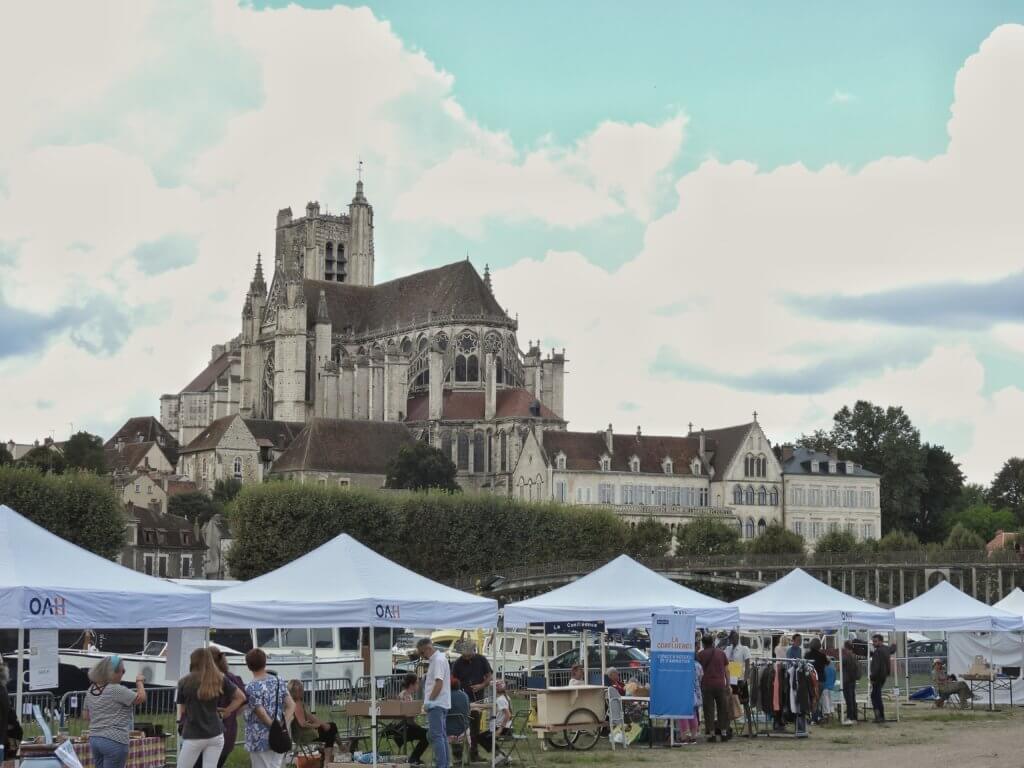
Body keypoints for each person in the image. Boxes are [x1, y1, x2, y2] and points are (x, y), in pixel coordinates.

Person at [178, 648, 246, 768]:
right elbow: (241, 697)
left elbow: (183, 710)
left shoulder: (184, 682)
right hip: (216, 733)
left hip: (194, 733)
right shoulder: (220, 678)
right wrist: (227, 710)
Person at [83, 656, 147, 768]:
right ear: (114, 672)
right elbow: (141, 698)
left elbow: (86, 716)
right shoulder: (116, 689)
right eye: (123, 671)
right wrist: (139, 682)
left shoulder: (91, 690)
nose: (123, 674)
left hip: (95, 738)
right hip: (114, 739)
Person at [244, 648, 295, 768]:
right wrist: (282, 725)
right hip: (280, 736)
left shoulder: (251, 687)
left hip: (259, 737)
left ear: (248, 666)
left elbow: (260, 713)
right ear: (265, 662)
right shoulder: (278, 681)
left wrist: (273, 728)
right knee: (275, 765)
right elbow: (291, 705)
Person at [450, 640, 492, 763]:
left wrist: (481, 685)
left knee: (475, 728)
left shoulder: (481, 659)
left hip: (477, 699)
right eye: (464, 655)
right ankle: (457, 756)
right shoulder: (458, 663)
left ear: (474, 651)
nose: (467, 658)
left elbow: (489, 676)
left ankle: (473, 755)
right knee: (458, 727)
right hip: (462, 700)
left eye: (469, 655)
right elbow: (453, 680)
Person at [417, 637, 451, 768]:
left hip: (436, 704)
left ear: (428, 648)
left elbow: (439, 683)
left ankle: (442, 765)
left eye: (422, 653)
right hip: (441, 703)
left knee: (437, 736)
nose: (421, 656)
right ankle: (445, 764)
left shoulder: (438, 660)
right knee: (441, 736)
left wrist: (430, 701)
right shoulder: (439, 659)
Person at [287, 680, 340, 762]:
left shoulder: (294, 702)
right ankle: (328, 760)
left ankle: (330, 757)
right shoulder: (297, 704)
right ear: (296, 692)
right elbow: (303, 723)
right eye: (301, 690)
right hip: (303, 735)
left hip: (301, 733)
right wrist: (316, 726)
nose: (303, 691)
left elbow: (308, 716)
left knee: (331, 727)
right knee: (331, 730)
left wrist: (321, 723)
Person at [696, 634, 731, 743]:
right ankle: (724, 733)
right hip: (720, 684)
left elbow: (698, 671)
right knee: (723, 709)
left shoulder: (700, 655)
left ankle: (711, 734)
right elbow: (727, 670)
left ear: (703, 643)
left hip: (706, 685)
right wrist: (728, 684)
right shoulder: (721, 653)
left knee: (709, 710)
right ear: (713, 642)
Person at [394, 674, 430, 766]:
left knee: (426, 733)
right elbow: (407, 714)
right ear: (411, 685)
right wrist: (419, 711)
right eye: (417, 683)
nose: (418, 685)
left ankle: (415, 758)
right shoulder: (405, 695)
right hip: (403, 728)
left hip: (406, 726)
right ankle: (414, 758)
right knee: (427, 735)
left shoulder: (407, 694)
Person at [476, 680, 511, 766]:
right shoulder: (507, 698)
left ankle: (499, 755)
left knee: (480, 737)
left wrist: (500, 729)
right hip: (508, 728)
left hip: (503, 728)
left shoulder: (500, 699)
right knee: (486, 736)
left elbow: (508, 714)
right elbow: (491, 706)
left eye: (493, 688)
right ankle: (503, 755)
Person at [724, 631, 753, 736]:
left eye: (733, 637)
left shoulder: (744, 649)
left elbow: (748, 666)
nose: (732, 639)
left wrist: (745, 680)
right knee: (728, 703)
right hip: (729, 680)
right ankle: (727, 728)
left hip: (740, 680)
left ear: (737, 638)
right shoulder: (727, 649)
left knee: (745, 704)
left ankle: (749, 729)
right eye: (730, 638)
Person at [674, 655, 702, 745]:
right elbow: (701, 677)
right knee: (693, 714)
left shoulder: (679, 665)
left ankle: (683, 737)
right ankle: (693, 737)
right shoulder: (697, 665)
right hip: (692, 691)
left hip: (681, 691)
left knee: (682, 715)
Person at [803, 638, 828, 723]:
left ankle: (814, 716)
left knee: (812, 698)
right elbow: (827, 663)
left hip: (810, 679)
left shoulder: (807, 655)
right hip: (820, 679)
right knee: (817, 699)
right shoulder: (822, 655)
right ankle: (816, 716)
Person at [869, 634, 891, 724]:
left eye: (876, 641)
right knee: (876, 696)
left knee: (875, 697)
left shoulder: (878, 652)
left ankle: (879, 716)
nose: (874, 643)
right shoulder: (885, 649)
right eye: (873, 641)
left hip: (877, 677)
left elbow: (876, 667)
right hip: (883, 676)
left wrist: (872, 677)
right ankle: (880, 716)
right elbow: (892, 649)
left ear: (881, 641)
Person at [840, 641, 861, 724]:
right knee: (852, 699)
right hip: (852, 680)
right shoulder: (854, 656)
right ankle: (854, 717)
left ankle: (850, 717)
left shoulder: (846, 657)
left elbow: (839, 667)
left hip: (847, 680)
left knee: (849, 700)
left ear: (845, 647)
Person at [821, 656, 836, 722]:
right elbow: (834, 679)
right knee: (830, 702)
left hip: (825, 687)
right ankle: (831, 714)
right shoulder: (833, 669)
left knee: (825, 702)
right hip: (831, 687)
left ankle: (827, 716)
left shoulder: (823, 669)